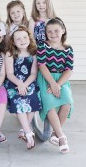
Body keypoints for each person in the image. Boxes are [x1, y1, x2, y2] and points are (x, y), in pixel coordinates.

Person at [37, 17, 74, 154]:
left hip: (61, 80)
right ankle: (62, 137)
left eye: (56, 31)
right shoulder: (43, 45)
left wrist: (58, 84)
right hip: (45, 78)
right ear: (46, 33)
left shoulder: (68, 49)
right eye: (49, 31)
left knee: (67, 103)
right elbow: (41, 65)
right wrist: (52, 83)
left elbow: (68, 70)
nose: (53, 34)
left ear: (63, 31)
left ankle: (54, 134)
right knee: (50, 104)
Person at [4, 26, 42, 149]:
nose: (22, 40)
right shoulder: (10, 54)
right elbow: (9, 74)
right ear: (13, 42)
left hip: (29, 81)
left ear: (29, 38)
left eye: (25, 37)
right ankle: (28, 133)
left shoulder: (34, 53)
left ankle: (24, 130)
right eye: (18, 38)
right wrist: (19, 84)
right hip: (14, 82)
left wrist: (25, 85)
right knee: (19, 100)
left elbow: (33, 73)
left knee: (34, 98)